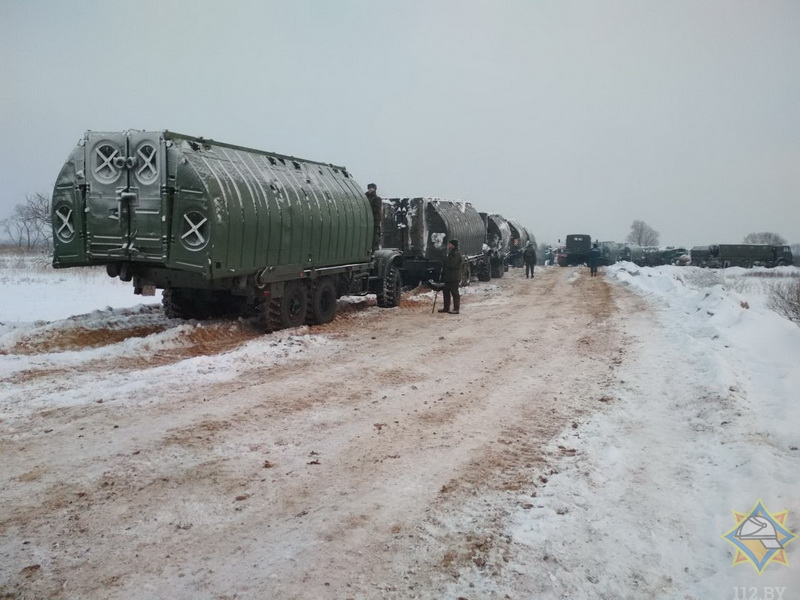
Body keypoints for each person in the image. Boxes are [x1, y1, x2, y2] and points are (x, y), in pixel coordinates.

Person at [438, 239, 463, 314]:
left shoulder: (456, 254)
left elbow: (451, 264)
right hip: (449, 277)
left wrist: (444, 260)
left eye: (450, 244)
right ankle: (446, 308)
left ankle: (456, 309)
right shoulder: (452, 253)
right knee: (446, 292)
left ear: (453, 245)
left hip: (454, 277)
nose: (448, 245)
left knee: (454, 293)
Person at [365, 183, 382, 251]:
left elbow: (377, 210)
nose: (370, 189)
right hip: (366, 220)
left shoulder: (377, 199)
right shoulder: (364, 197)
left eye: (371, 188)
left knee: (373, 237)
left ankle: (373, 250)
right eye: (369, 188)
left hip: (374, 220)